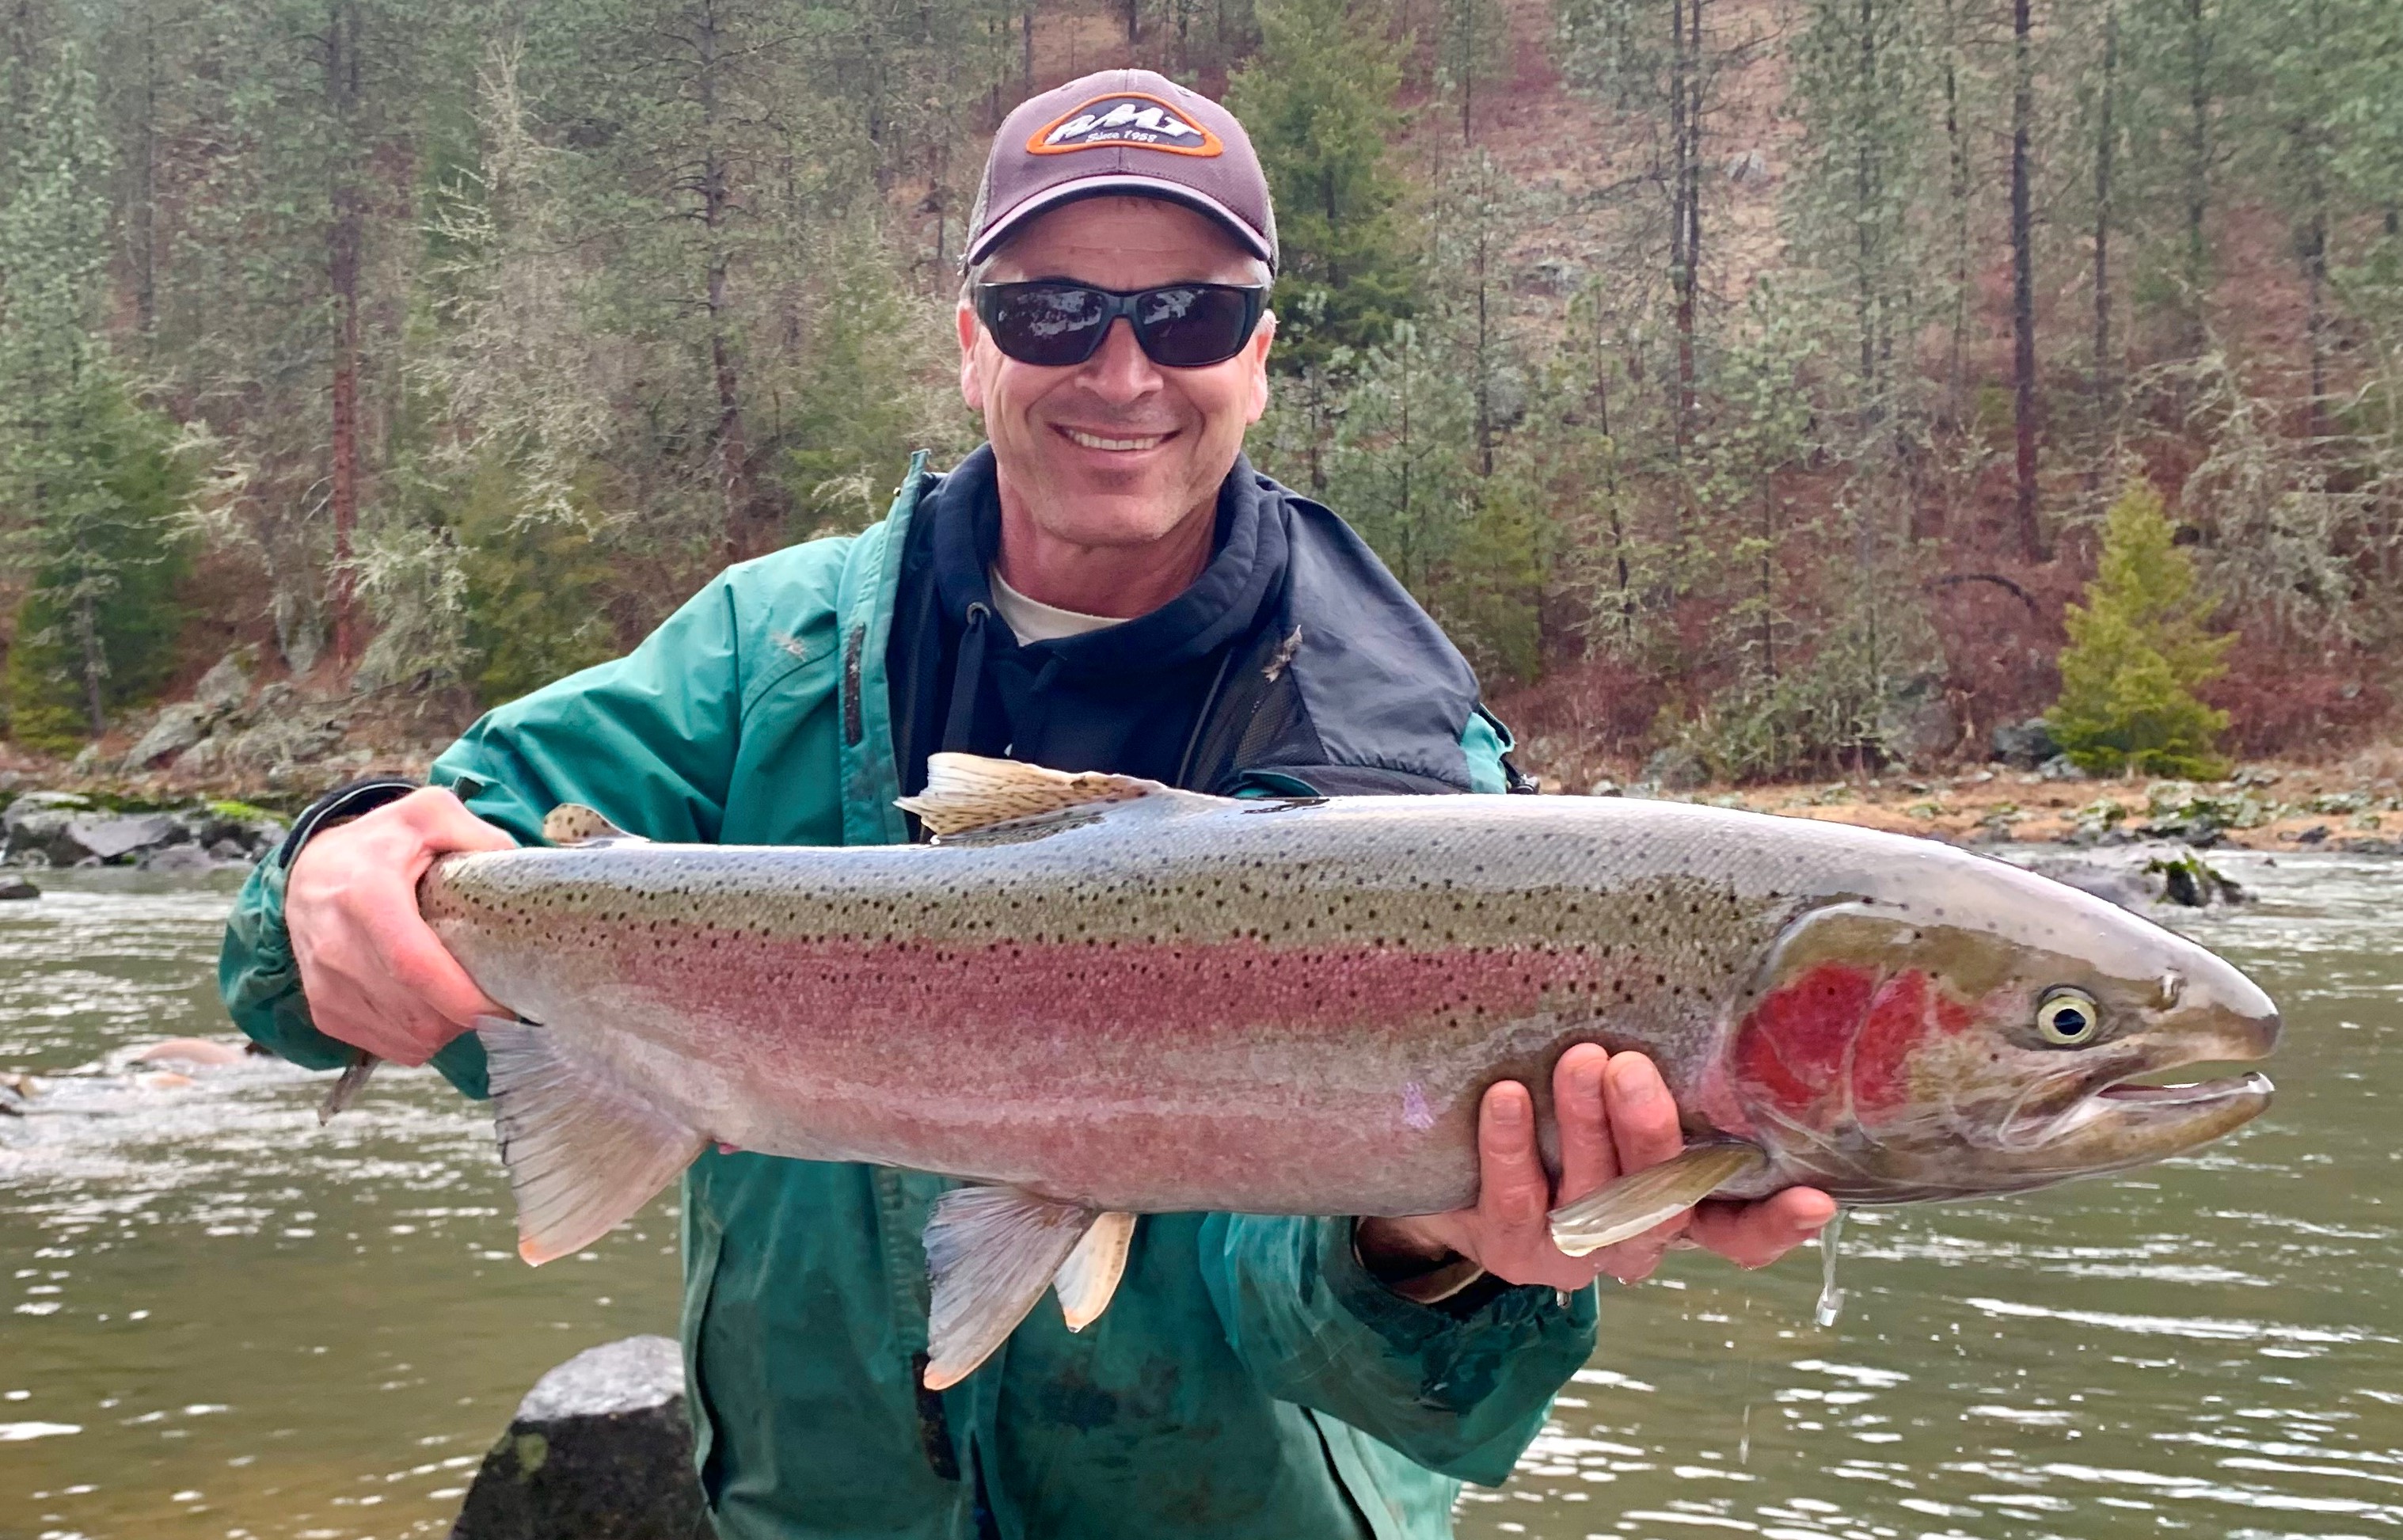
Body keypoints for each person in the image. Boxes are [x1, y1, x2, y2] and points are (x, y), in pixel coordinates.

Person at [219, 69, 1831, 1540]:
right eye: (1053, 307)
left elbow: (1396, 1380)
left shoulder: (1392, 755)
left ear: (1260, 359)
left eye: (1192, 315)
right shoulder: (763, 657)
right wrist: (333, 874)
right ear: (972, 340)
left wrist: (1439, 1254)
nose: (1122, 367)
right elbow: (338, 945)